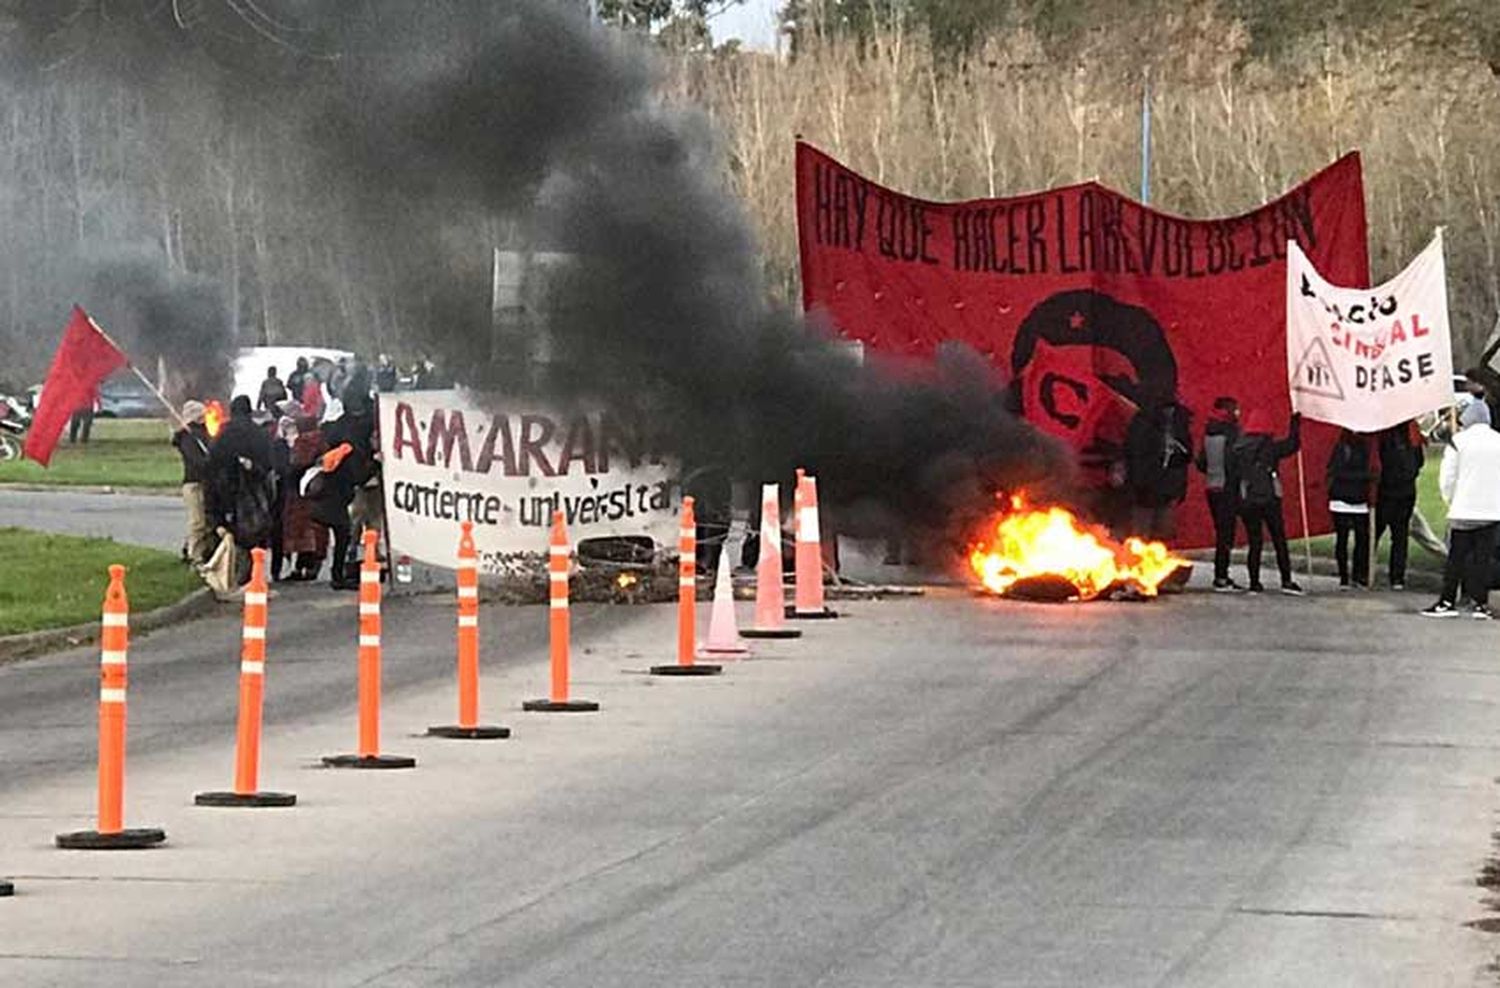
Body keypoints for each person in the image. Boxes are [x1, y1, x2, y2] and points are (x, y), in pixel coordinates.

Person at [1421, 401, 1500, 618]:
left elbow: (1448, 478)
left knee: (1456, 557)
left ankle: (1447, 601)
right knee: (1482, 559)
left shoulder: (1458, 442)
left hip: (1464, 509)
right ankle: (1480, 603)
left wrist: (1451, 501)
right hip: (1492, 511)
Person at [1232, 410, 1303, 595]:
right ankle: (1286, 581)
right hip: (1270, 499)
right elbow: (1292, 445)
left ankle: (1254, 583)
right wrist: (1295, 424)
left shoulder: (1238, 448)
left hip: (1248, 500)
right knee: (1279, 539)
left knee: (1255, 542)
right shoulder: (1270, 447)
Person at [207, 396, 275, 585]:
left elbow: (213, 462)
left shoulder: (224, 433)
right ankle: (256, 572)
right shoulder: (259, 434)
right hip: (256, 489)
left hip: (228, 489)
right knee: (257, 531)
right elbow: (269, 463)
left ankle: (234, 574)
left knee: (234, 533)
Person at [1124, 399, 1192, 541]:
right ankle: (1143, 558)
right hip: (1149, 487)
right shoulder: (1146, 425)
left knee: (1160, 531)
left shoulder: (1179, 428)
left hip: (1163, 487)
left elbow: (1184, 460)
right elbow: (1135, 454)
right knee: (1144, 531)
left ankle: (1155, 558)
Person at [1195, 396, 1242, 591]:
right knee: (1226, 533)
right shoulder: (1232, 432)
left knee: (1221, 532)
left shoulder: (1208, 431)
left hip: (1211, 487)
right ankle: (1221, 576)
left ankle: (1221, 575)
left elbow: (1201, 463)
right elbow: (1235, 461)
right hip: (1228, 488)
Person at [1375, 421, 1424, 590]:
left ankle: (1364, 571)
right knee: (1400, 536)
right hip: (1407, 491)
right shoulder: (1412, 433)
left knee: (1374, 533)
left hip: (1386, 491)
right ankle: (1397, 577)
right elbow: (1419, 462)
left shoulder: (1382, 435)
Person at [1325, 430, 1373, 589]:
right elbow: (1338, 471)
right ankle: (1353, 575)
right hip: (1354, 498)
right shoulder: (1359, 447)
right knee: (1359, 539)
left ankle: (1347, 576)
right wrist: (1366, 477)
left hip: (1342, 499)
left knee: (1346, 539)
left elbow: (1333, 471)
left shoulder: (1341, 447)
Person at [172, 400, 214, 564]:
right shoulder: (187, 438)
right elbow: (197, 461)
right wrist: (210, 465)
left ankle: (192, 549)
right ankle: (195, 557)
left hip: (206, 483)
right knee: (198, 522)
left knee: (207, 520)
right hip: (194, 483)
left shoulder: (204, 435)